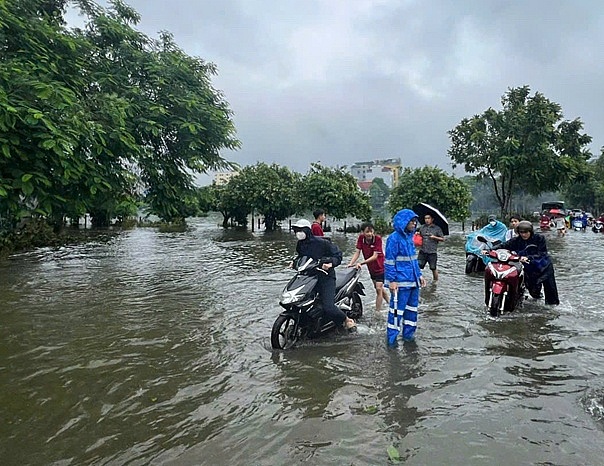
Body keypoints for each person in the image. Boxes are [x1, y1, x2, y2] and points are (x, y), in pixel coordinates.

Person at [291, 219, 356, 329]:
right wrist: (294, 262)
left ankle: (347, 320)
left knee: (328, 307)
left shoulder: (322, 243)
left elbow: (338, 256)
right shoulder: (300, 244)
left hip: (325, 277)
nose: (298, 233)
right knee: (299, 300)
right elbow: (301, 257)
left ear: (307, 231)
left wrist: (330, 263)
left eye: (300, 230)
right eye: (296, 230)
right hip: (308, 277)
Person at [384, 209, 426, 343]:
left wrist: (419, 275)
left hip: (413, 282)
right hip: (400, 283)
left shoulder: (409, 238)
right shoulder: (394, 238)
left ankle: (409, 337)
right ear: (403, 222)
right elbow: (389, 261)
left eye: (415, 221)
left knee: (412, 312)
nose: (414, 224)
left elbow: (413, 259)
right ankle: (392, 341)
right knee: (396, 313)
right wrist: (392, 280)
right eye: (411, 221)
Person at [496, 220, 560, 305]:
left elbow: (542, 253)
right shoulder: (516, 240)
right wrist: (490, 250)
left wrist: (528, 257)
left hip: (543, 266)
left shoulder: (539, 238)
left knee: (550, 289)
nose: (523, 234)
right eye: (521, 232)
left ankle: (553, 306)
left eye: (526, 232)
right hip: (528, 268)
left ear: (530, 232)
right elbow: (503, 245)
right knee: (533, 291)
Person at [347, 222, 389, 311]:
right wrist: (351, 263)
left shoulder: (377, 239)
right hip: (371, 268)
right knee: (379, 289)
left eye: (371, 232)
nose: (369, 234)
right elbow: (357, 252)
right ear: (362, 232)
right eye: (367, 232)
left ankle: (378, 312)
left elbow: (375, 256)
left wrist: (360, 263)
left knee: (378, 288)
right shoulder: (361, 238)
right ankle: (391, 304)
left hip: (380, 266)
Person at [417, 213, 445, 281]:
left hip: (432, 252)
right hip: (422, 251)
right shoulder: (422, 227)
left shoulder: (437, 228)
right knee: (417, 266)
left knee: (433, 268)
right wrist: (417, 234)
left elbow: (443, 239)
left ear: (432, 219)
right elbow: (417, 234)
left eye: (428, 218)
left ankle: (435, 283)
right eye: (425, 218)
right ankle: (417, 280)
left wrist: (434, 237)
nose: (427, 220)